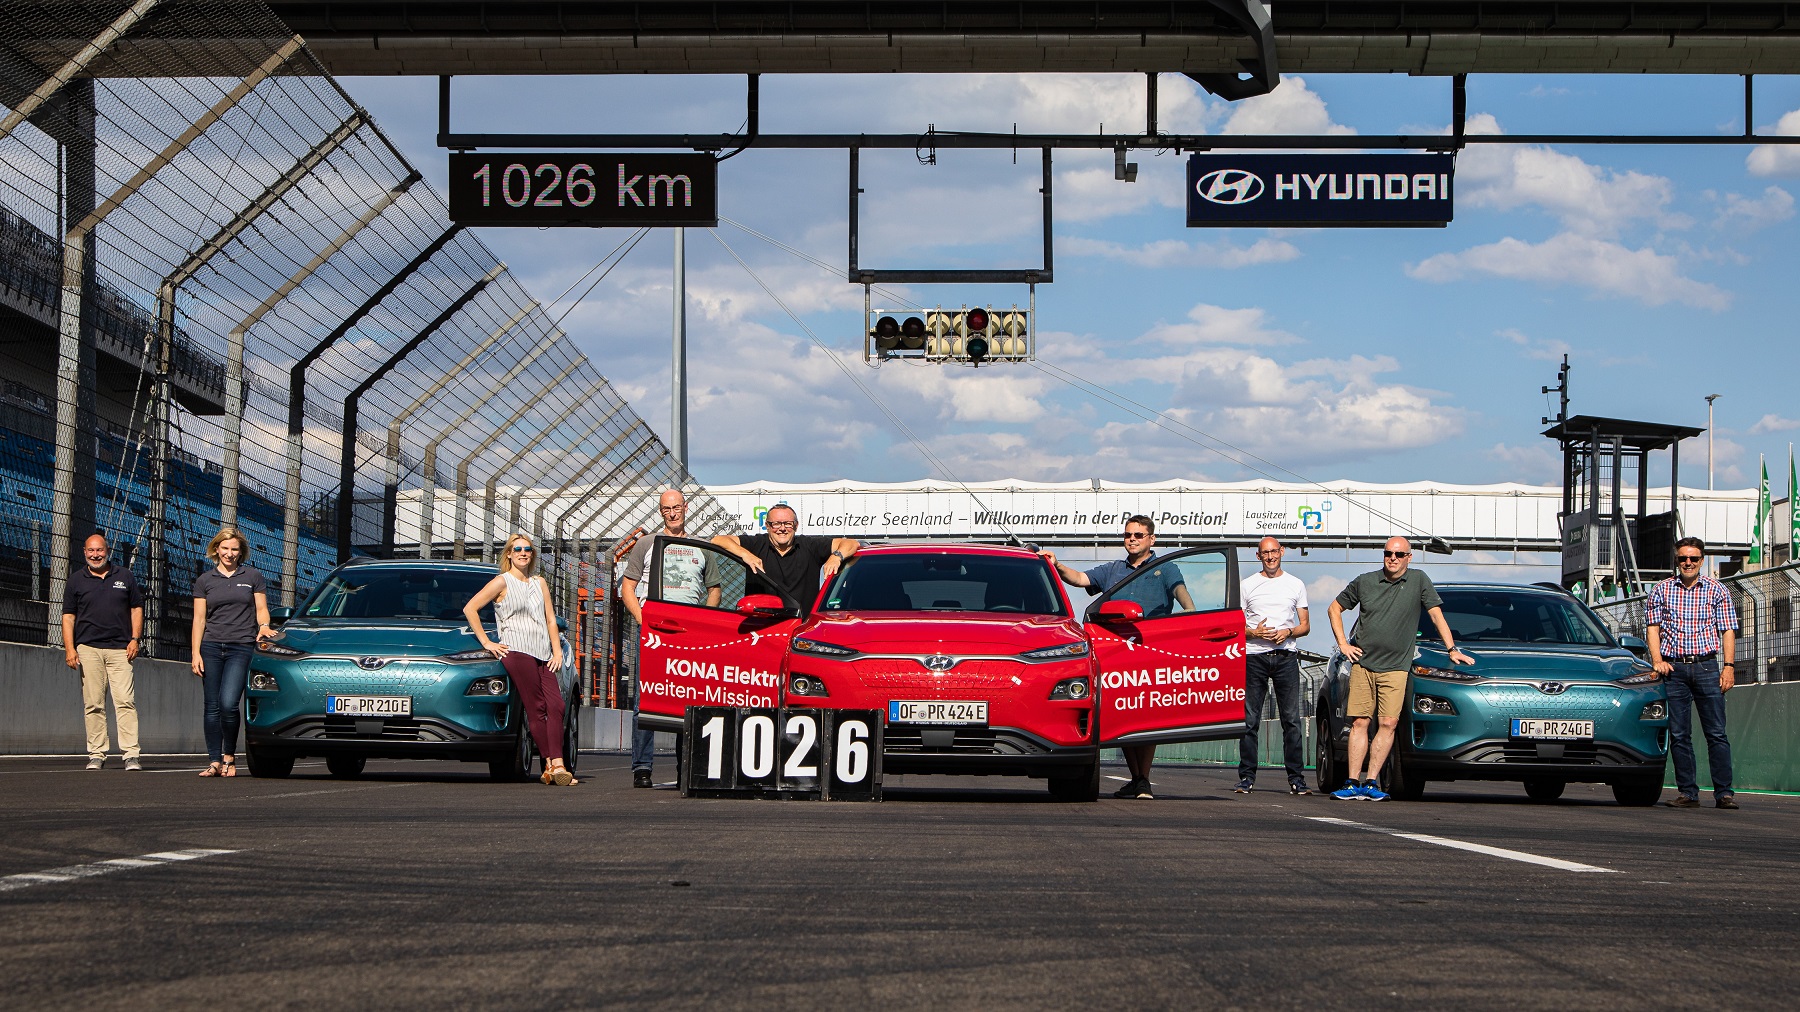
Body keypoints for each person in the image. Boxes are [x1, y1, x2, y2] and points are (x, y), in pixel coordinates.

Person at [1041, 515, 1193, 800]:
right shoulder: (1113, 569)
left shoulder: (1166, 568)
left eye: (1138, 535)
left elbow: (1180, 593)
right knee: (1126, 715)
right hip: (1118, 652)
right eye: (1127, 535)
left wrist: (1190, 613)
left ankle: (1144, 779)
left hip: (1150, 651)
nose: (1132, 539)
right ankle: (1136, 779)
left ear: (1152, 539)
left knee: (1146, 717)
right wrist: (1057, 564)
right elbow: (1081, 579)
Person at [1326, 536, 1472, 801]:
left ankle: (1371, 783)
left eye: (1399, 554)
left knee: (1389, 722)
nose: (1392, 558)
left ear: (1409, 557)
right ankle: (1351, 782)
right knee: (1359, 722)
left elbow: (1436, 615)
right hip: (1363, 664)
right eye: (1388, 553)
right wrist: (1343, 644)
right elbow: (1334, 609)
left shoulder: (1418, 581)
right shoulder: (1365, 581)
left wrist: (1452, 650)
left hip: (1396, 668)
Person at [619, 489, 720, 787]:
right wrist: (643, 620)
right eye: (667, 509)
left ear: (686, 508)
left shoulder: (701, 546)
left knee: (687, 699)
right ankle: (642, 768)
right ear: (661, 511)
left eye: (677, 507)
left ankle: (684, 769)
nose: (673, 513)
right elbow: (627, 587)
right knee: (645, 697)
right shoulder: (647, 544)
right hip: (653, 630)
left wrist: (704, 622)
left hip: (688, 632)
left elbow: (714, 589)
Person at [464, 533, 575, 786]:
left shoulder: (540, 583)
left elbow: (550, 619)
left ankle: (553, 765)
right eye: (518, 549)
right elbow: (470, 608)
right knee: (536, 706)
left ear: (532, 554)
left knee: (556, 705)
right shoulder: (501, 582)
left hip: (543, 652)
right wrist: (487, 642)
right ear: (509, 555)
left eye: (528, 549)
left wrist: (557, 651)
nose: (523, 553)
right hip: (516, 650)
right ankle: (554, 764)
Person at [1646, 537, 1740, 810]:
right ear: (1676, 560)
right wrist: (1657, 660)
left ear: (1701, 560)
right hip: (1674, 669)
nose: (1688, 562)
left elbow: (1728, 630)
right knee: (1679, 734)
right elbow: (1652, 627)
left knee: (1716, 733)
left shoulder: (1717, 590)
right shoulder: (1661, 590)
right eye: (1683, 558)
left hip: (1707, 667)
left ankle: (1724, 793)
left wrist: (1729, 667)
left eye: (1694, 558)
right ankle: (1688, 793)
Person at [191, 527, 274, 778]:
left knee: (228, 704)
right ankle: (214, 760)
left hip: (241, 645)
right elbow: (198, 619)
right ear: (217, 549)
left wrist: (264, 626)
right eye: (225, 548)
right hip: (211, 646)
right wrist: (195, 652)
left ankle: (229, 755)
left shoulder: (253, 576)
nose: (229, 553)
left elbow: (261, 608)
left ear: (241, 552)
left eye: (234, 549)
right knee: (211, 706)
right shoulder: (204, 580)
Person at [1235, 536, 1311, 795]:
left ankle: (1297, 778)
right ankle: (1246, 777)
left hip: (1285, 657)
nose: (1270, 557)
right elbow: (1236, 628)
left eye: (1274, 552)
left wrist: (1288, 632)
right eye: (1265, 553)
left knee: (1291, 720)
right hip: (1254, 657)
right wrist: (1254, 633)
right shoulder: (1246, 586)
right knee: (1249, 720)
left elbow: (1305, 626)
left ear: (1282, 552)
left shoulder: (1296, 584)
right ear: (1258, 556)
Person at [62, 533, 144, 771]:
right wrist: (70, 648)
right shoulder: (76, 580)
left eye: (99, 550)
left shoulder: (125, 576)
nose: (95, 555)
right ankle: (96, 754)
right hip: (88, 649)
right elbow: (68, 617)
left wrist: (135, 639)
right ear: (84, 552)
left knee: (125, 702)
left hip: (121, 650)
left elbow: (137, 608)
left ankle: (131, 755)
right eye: (91, 551)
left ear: (108, 551)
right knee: (94, 704)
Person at [710, 504, 858, 616]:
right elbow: (718, 540)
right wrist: (745, 554)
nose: (782, 528)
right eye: (776, 524)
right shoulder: (756, 544)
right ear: (767, 526)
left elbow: (852, 543)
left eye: (788, 523)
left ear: (796, 526)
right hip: (760, 627)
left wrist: (836, 557)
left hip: (801, 627)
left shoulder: (809, 546)